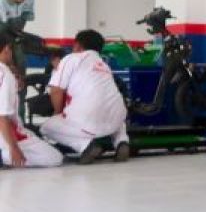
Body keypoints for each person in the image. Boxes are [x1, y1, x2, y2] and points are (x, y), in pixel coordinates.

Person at [40, 30, 131, 164]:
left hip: (88, 119)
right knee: (113, 110)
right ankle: (121, 141)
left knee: (47, 127)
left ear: (77, 45)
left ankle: (86, 146)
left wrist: (57, 113)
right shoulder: (104, 65)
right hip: (117, 118)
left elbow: (56, 90)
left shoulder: (71, 58)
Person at [0, 31, 62, 168]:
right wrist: (14, 148)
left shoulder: (7, 73)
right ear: (7, 49)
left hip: (7, 128)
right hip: (6, 131)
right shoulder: (5, 75)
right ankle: (3, 156)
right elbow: (2, 117)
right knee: (54, 158)